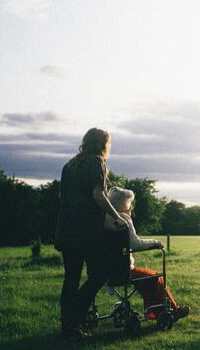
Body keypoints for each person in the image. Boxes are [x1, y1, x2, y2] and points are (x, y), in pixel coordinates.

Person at [54, 128, 127, 340]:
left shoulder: (70, 165)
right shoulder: (96, 162)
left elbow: (64, 197)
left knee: (72, 278)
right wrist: (116, 216)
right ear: (103, 144)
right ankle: (74, 317)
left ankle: (68, 326)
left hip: (66, 229)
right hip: (85, 231)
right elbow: (98, 194)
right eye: (109, 144)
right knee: (100, 274)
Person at [104, 186, 190, 322]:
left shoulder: (103, 219)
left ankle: (155, 310)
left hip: (105, 270)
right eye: (130, 203)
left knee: (146, 278)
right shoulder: (123, 218)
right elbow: (136, 244)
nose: (131, 206)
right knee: (155, 277)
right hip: (123, 270)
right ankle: (170, 310)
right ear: (124, 204)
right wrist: (155, 242)